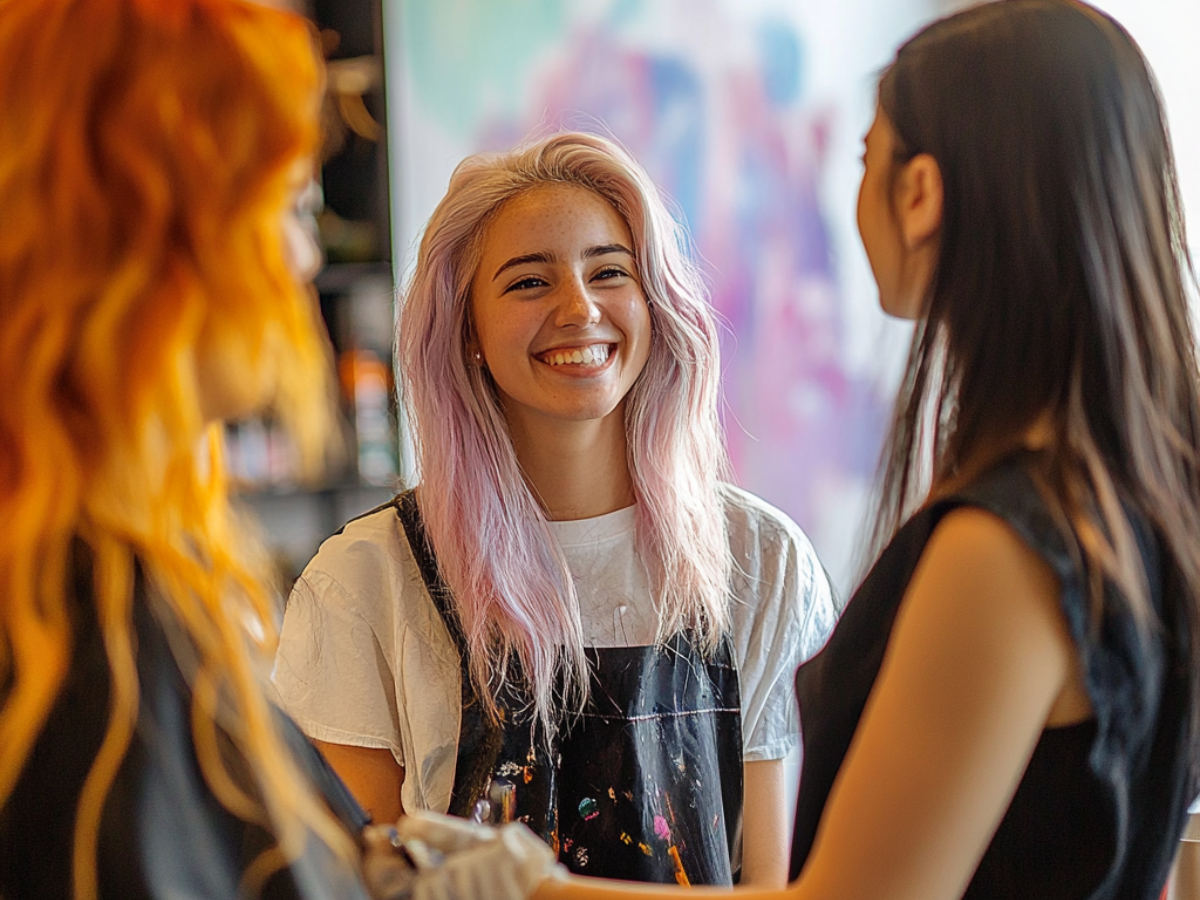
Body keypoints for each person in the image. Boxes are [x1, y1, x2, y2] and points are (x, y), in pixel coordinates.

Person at [427, 0, 1194, 898]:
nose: (580, 306)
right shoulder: (1129, 499)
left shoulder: (1003, 550)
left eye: (868, 158)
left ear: (920, 194)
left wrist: (529, 887)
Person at [0, 2, 559, 899]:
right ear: (145, 232)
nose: (303, 257)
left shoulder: (129, 579)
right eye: (281, 208)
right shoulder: (75, 625)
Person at [271, 131, 838, 887]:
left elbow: (779, 887)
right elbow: (352, 886)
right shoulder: (366, 582)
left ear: (655, 302)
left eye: (609, 272)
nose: (579, 308)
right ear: (466, 331)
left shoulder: (762, 561)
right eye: (529, 283)